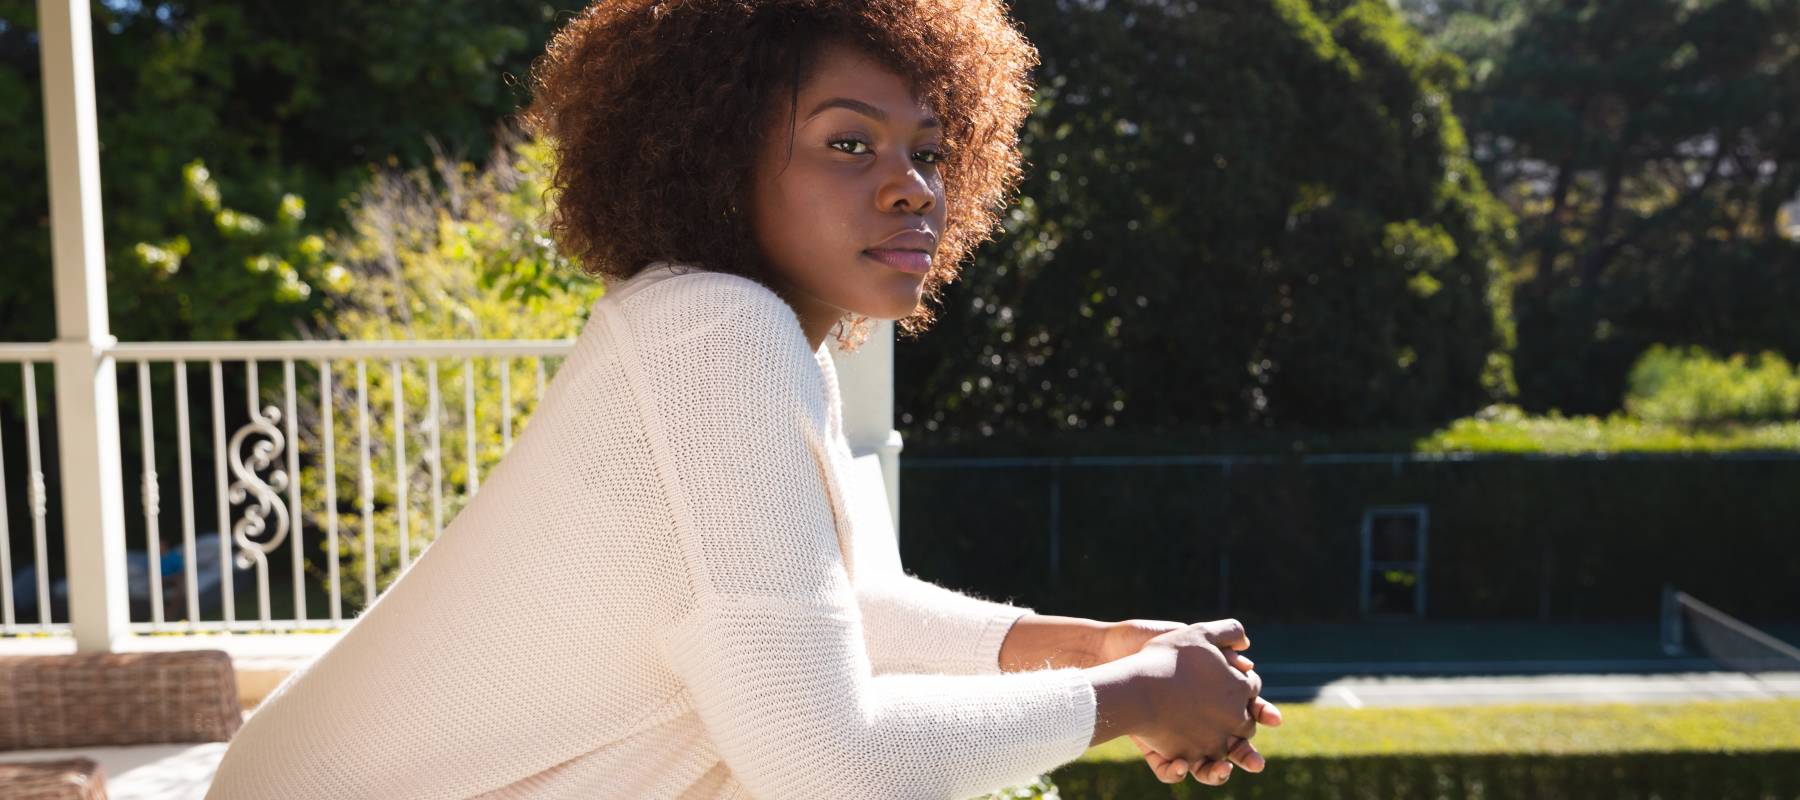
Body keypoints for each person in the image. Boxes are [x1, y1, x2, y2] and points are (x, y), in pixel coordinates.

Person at [206, 1, 1280, 797]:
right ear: (715, 158)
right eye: (848, 142)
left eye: (930, 151)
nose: (915, 186)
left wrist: (1095, 646)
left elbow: (846, 610)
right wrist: (1138, 694)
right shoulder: (715, 328)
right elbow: (830, 764)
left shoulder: (769, 344)